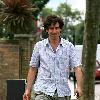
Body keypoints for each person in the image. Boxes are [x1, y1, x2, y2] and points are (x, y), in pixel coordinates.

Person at [23, 15, 83, 100]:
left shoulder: (69, 47)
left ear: (60, 29)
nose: (54, 31)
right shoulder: (39, 46)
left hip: (62, 92)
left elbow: (77, 67)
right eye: (51, 28)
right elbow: (33, 68)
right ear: (47, 30)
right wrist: (27, 90)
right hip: (42, 91)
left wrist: (79, 87)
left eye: (56, 28)